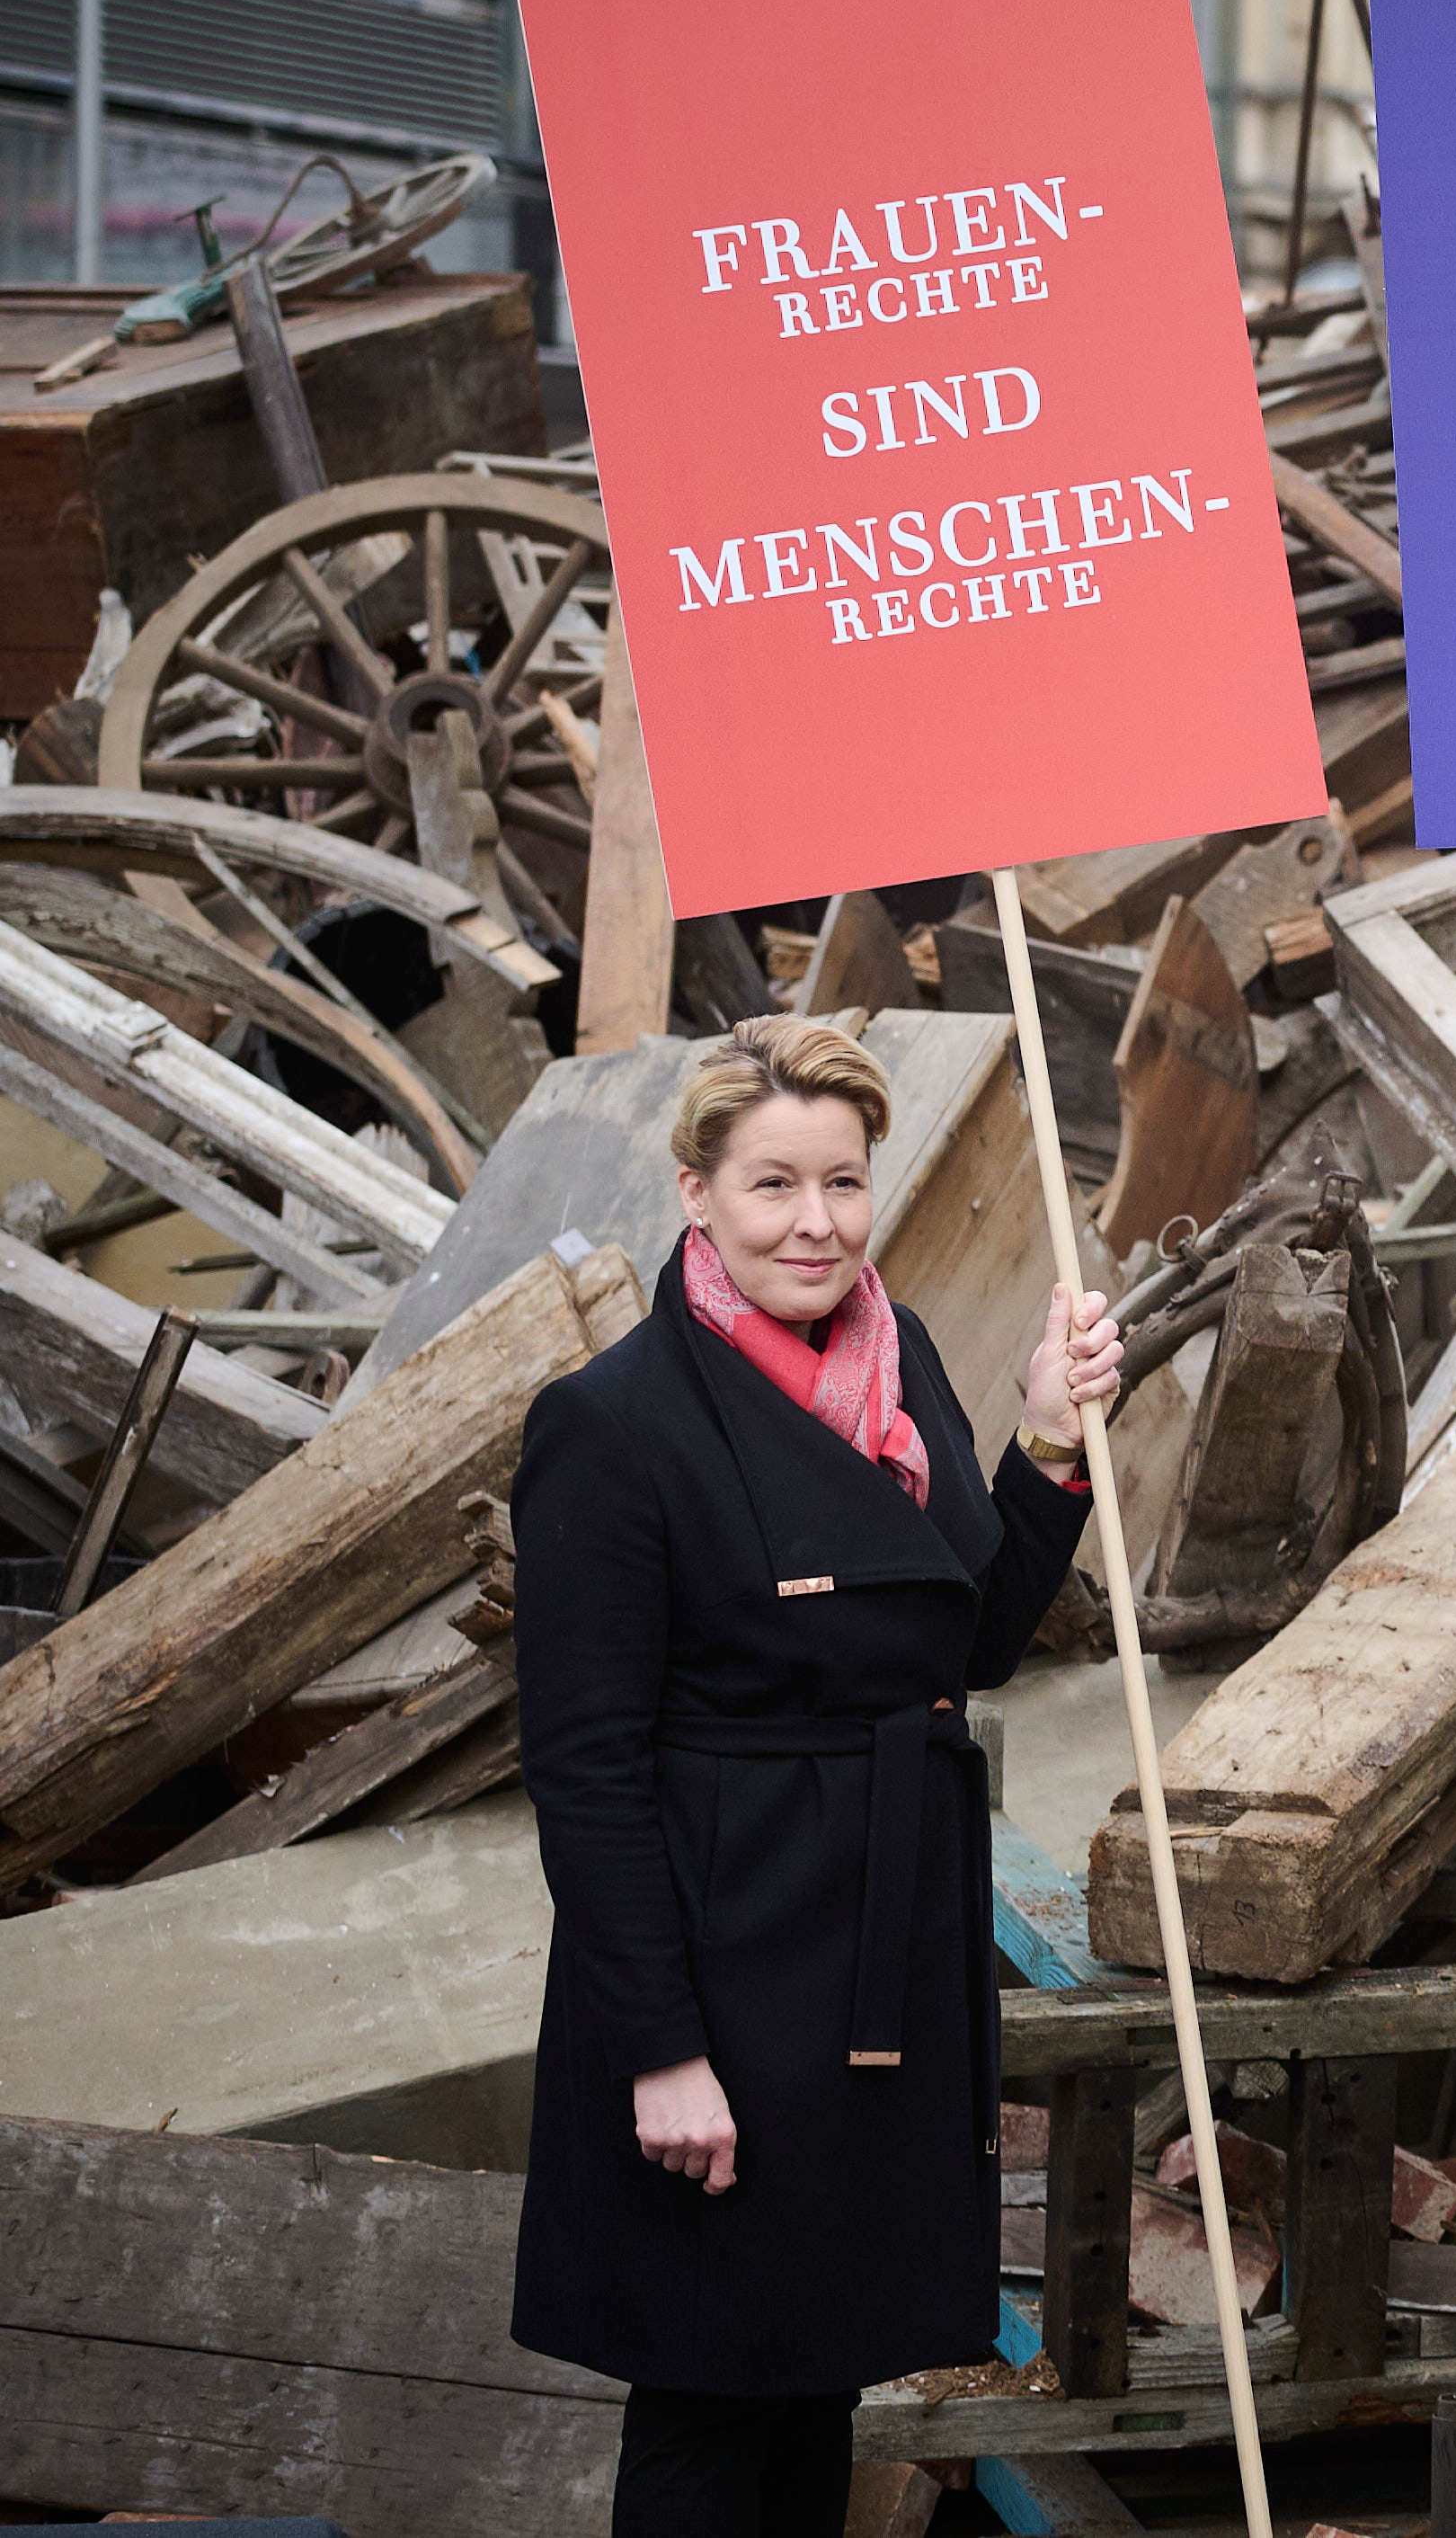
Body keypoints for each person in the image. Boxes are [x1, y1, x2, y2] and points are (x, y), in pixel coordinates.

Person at [509, 1015, 1124, 2537]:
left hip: (878, 1957)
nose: (816, 1223)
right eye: (773, 1184)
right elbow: (582, 1770)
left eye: (842, 1184)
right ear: (696, 1194)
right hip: (719, 1972)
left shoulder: (896, 1361)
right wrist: (657, 2047)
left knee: (821, 2382)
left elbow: (960, 1639)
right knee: (708, 2391)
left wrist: (1048, 1452)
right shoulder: (613, 1424)